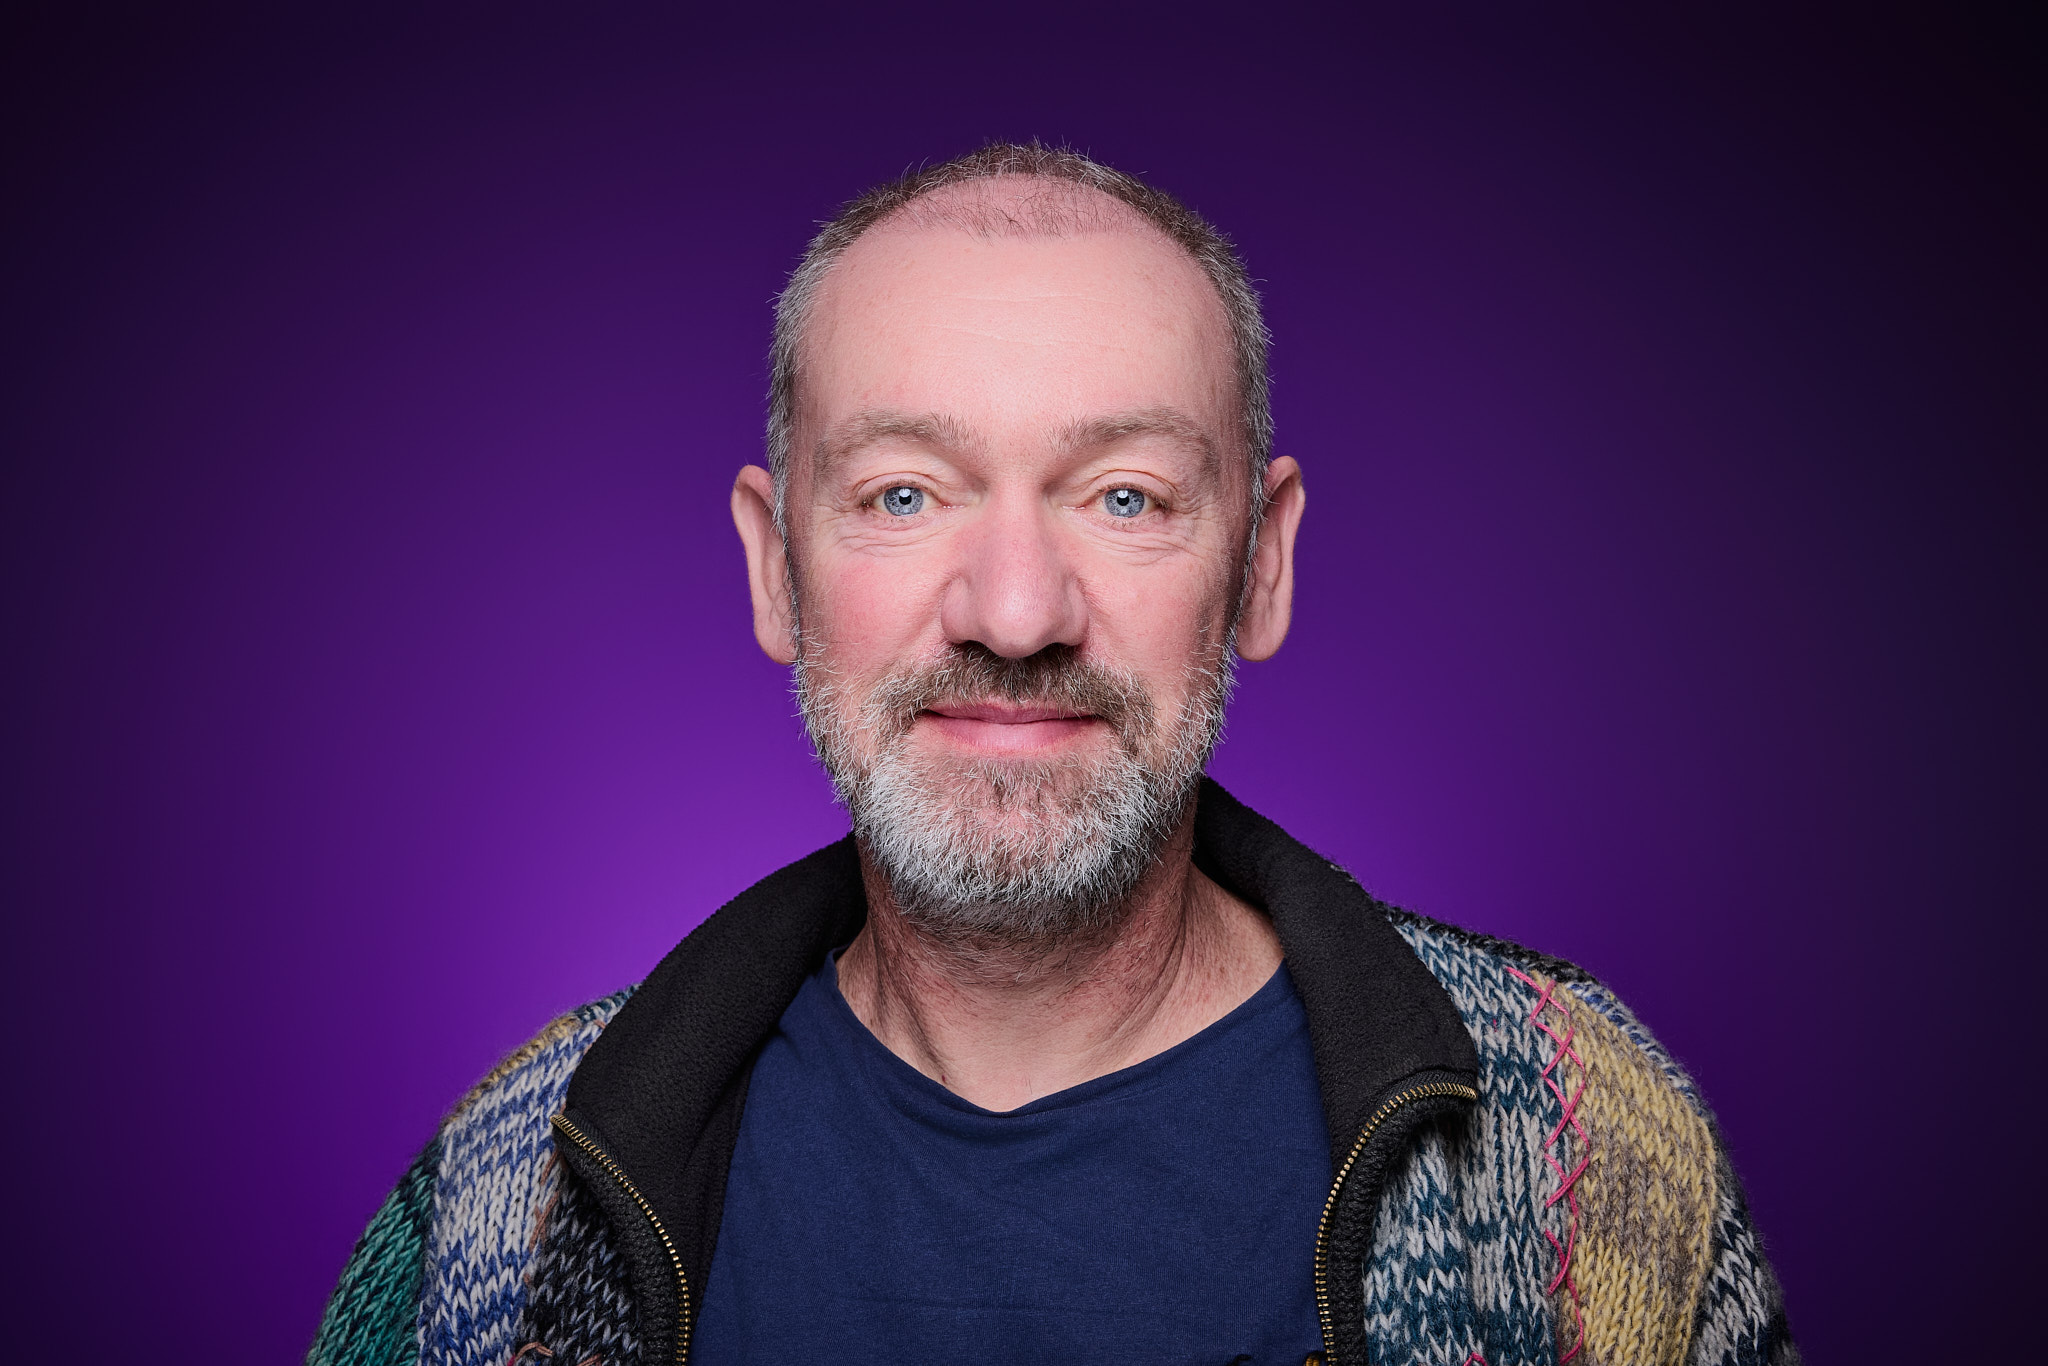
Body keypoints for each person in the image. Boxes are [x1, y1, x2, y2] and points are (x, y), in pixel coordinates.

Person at [307, 143, 1795, 1366]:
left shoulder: (1582, 1140)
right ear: (773, 569)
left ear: (1263, 563)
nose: (1015, 613)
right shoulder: (511, 1191)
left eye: (1124, 496)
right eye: (903, 494)